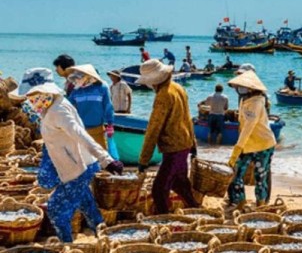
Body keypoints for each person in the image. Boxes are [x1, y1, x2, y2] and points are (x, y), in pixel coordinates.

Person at [9, 68, 123, 242]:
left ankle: (66, 246)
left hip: (79, 167)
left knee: (56, 208)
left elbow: (80, 133)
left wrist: (106, 159)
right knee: (86, 204)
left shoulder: (58, 110)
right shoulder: (51, 105)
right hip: (77, 163)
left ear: (46, 92)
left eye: (33, 95)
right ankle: (104, 238)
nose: (30, 99)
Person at [137, 59, 199, 214]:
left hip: (173, 148)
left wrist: (143, 160)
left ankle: (164, 218)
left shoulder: (163, 96)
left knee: (158, 189)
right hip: (184, 144)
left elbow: (153, 129)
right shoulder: (178, 88)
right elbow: (188, 117)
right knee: (180, 184)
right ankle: (196, 210)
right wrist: (193, 143)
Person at [227, 70, 277, 209]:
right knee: (237, 175)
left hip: (263, 145)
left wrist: (237, 149)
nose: (238, 89)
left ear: (250, 88)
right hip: (248, 145)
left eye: (241, 86)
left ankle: (260, 205)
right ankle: (240, 203)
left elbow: (248, 127)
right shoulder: (245, 100)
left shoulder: (257, 102)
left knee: (260, 177)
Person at [66, 64, 114, 150]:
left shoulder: (102, 87)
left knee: (102, 154)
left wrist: (110, 124)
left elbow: (108, 106)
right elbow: (67, 105)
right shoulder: (77, 90)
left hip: (98, 128)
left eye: (80, 77)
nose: (77, 80)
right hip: (81, 129)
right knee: (85, 155)